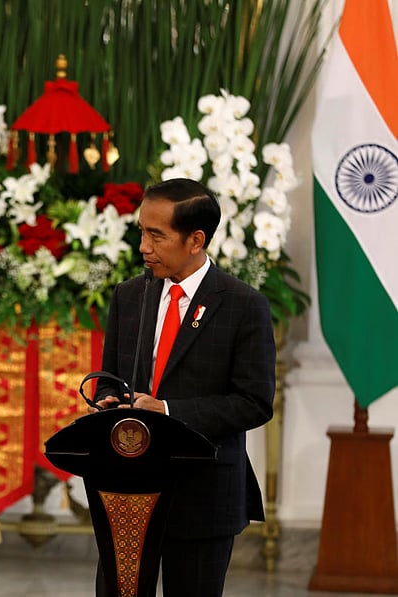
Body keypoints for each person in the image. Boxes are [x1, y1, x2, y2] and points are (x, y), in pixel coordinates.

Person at [93, 178, 275, 596]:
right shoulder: (129, 295)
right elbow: (110, 377)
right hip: (128, 493)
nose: (144, 247)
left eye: (157, 235)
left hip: (203, 496)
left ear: (196, 240)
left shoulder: (244, 305)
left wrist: (168, 412)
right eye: (142, 231)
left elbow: (254, 402)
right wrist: (107, 400)